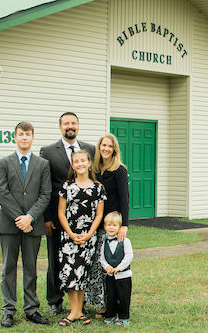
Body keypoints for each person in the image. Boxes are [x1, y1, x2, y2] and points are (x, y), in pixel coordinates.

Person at [0, 121, 51, 328]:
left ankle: (31, 309)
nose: (25, 137)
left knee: (31, 268)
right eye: (21, 134)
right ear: (15, 137)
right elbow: (2, 193)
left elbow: (46, 194)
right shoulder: (4, 162)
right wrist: (20, 218)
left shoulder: (42, 165)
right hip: (9, 225)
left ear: (33, 137)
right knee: (8, 268)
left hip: (33, 225)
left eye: (28, 134)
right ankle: (8, 310)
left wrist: (30, 217)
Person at [39, 112, 95, 315]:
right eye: (66, 123)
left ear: (78, 126)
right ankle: (55, 300)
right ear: (60, 127)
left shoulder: (90, 149)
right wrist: (46, 217)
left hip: (85, 216)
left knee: (83, 258)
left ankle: (81, 302)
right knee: (56, 259)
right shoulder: (47, 151)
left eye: (73, 123)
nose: (70, 126)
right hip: (57, 216)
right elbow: (44, 186)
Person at [56, 150, 106, 326]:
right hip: (69, 237)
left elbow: (99, 215)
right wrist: (70, 234)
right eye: (76, 161)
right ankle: (74, 312)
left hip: (88, 237)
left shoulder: (97, 188)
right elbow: (61, 213)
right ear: (73, 165)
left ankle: (79, 311)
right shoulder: (67, 187)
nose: (80, 164)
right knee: (70, 273)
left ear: (89, 163)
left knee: (82, 273)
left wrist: (90, 234)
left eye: (82, 160)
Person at [86, 133, 129, 317]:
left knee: (110, 265)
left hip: (111, 226)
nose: (106, 149)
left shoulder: (119, 170)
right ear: (99, 147)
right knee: (97, 265)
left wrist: (124, 225)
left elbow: (124, 199)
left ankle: (109, 305)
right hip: (95, 224)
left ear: (114, 149)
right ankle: (99, 301)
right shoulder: (94, 169)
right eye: (103, 145)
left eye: (109, 146)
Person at [100, 211, 133, 326]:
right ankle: (111, 315)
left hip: (124, 275)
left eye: (114, 225)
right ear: (105, 227)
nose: (111, 228)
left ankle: (124, 317)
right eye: (108, 225)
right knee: (111, 296)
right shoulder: (104, 242)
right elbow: (102, 258)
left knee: (123, 297)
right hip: (110, 275)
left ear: (120, 227)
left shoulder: (125, 241)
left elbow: (129, 256)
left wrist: (119, 267)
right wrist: (107, 267)